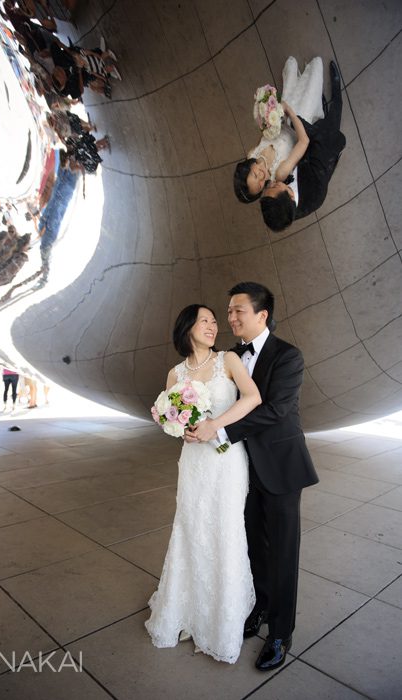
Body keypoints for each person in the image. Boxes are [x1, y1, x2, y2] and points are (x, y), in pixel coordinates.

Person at [188, 282, 319, 672]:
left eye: (238, 311)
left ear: (262, 315)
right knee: (252, 547)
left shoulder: (287, 356)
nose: (230, 318)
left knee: (282, 552)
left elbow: (276, 410)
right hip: (240, 470)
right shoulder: (227, 357)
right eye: (228, 311)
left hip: (280, 467)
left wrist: (220, 431)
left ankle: (281, 633)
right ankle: (259, 607)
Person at [145, 304, 261, 664]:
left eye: (215, 321)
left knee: (224, 530)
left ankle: (222, 620)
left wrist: (217, 425)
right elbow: (173, 423)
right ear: (187, 328)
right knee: (191, 528)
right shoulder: (174, 374)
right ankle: (186, 607)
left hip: (226, 459)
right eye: (205, 321)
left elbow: (253, 398)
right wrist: (182, 429)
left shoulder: (229, 360)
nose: (213, 326)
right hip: (194, 461)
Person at [260, 61, 346, 231]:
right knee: (330, 121)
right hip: (323, 149)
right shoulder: (315, 190)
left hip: (303, 152)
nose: (271, 183)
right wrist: (293, 119)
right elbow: (315, 139)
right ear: (291, 196)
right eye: (275, 186)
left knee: (306, 112)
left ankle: (317, 104)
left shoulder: (280, 206)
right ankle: (337, 92)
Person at [234, 56, 324, 203]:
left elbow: (264, 136)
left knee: (291, 62)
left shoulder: (252, 154)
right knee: (317, 64)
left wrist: (267, 118)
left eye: (256, 175)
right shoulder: (280, 174)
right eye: (261, 185)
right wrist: (289, 111)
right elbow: (303, 142)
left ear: (249, 166)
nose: (262, 177)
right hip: (299, 124)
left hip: (282, 119)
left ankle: (291, 90)